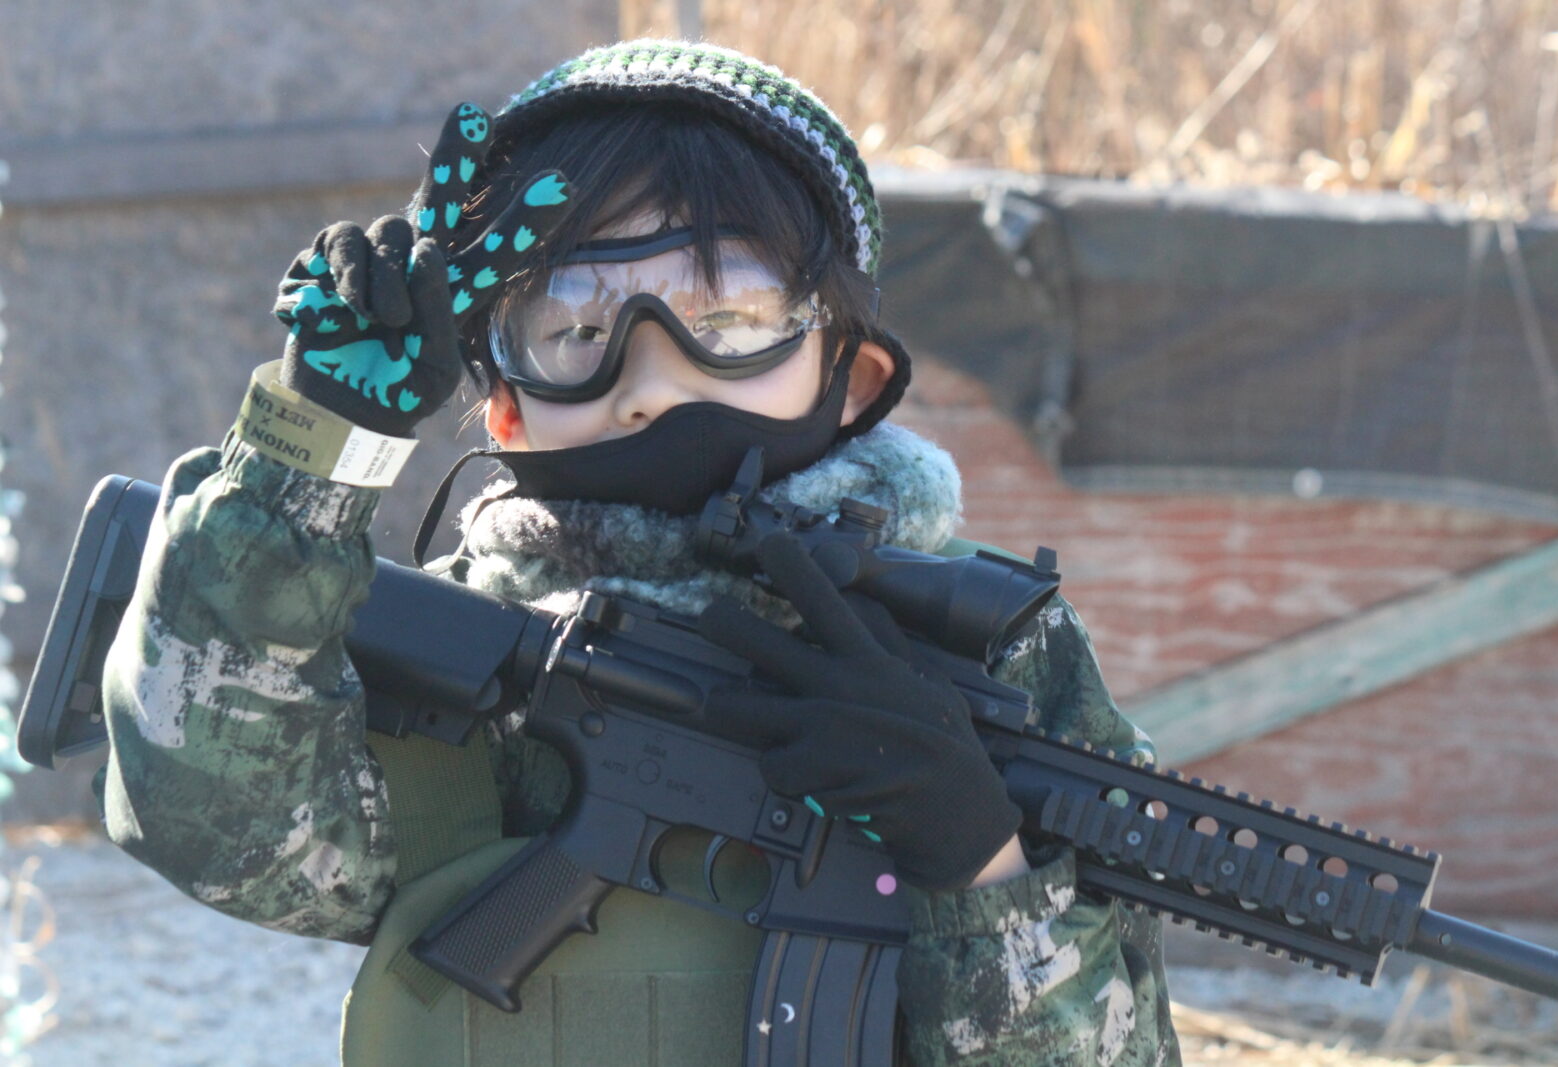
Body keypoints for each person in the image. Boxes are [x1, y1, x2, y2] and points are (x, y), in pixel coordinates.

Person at [97, 39, 1181, 1066]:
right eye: (577, 328)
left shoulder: (986, 653)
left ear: (850, 376)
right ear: (505, 410)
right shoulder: (464, 654)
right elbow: (225, 834)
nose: (653, 378)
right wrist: (313, 449)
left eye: (732, 315)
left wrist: (980, 862)